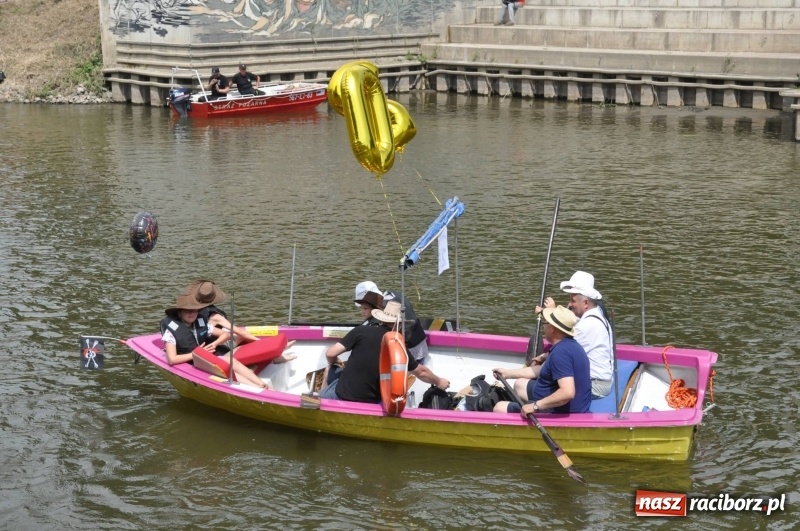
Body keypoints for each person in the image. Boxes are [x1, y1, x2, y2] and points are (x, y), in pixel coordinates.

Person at [320, 301, 450, 403]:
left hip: (342, 395)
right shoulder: (398, 345)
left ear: (381, 319)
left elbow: (330, 353)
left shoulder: (360, 331)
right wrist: (439, 381)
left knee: (331, 369)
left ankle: (324, 402)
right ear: (399, 324)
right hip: (371, 401)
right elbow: (421, 372)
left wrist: (334, 363)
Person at [159, 292, 269, 389]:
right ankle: (258, 388)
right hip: (192, 362)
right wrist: (197, 354)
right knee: (225, 369)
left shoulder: (201, 324)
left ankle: (262, 384)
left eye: (195, 310)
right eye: (187, 311)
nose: (192, 313)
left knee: (231, 361)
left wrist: (214, 344)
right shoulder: (171, 333)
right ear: (179, 313)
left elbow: (225, 334)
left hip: (206, 357)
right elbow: (172, 359)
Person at [493, 306, 591, 414]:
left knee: (499, 407)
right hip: (563, 402)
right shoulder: (571, 345)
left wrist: (535, 406)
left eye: (545, 323)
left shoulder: (560, 354)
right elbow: (540, 369)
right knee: (519, 384)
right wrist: (507, 373)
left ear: (552, 328)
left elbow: (567, 392)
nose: (543, 327)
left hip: (559, 410)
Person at [535, 271, 613, 399]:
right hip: (602, 380)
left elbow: (564, 349)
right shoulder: (596, 313)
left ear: (586, 303)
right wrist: (548, 312)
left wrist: (544, 359)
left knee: (528, 386)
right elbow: (569, 320)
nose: (569, 304)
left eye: (572, 300)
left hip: (595, 385)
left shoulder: (587, 326)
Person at [181, 279, 296, 364]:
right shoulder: (215, 315)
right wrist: (266, 344)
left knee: (238, 336)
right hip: (217, 348)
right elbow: (241, 332)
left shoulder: (194, 312)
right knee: (242, 335)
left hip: (205, 344)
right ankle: (275, 354)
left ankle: (274, 352)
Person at [354, 280, 429, 362]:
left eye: (365, 306)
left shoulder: (382, 308)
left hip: (408, 348)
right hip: (421, 342)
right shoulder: (394, 294)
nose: (362, 310)